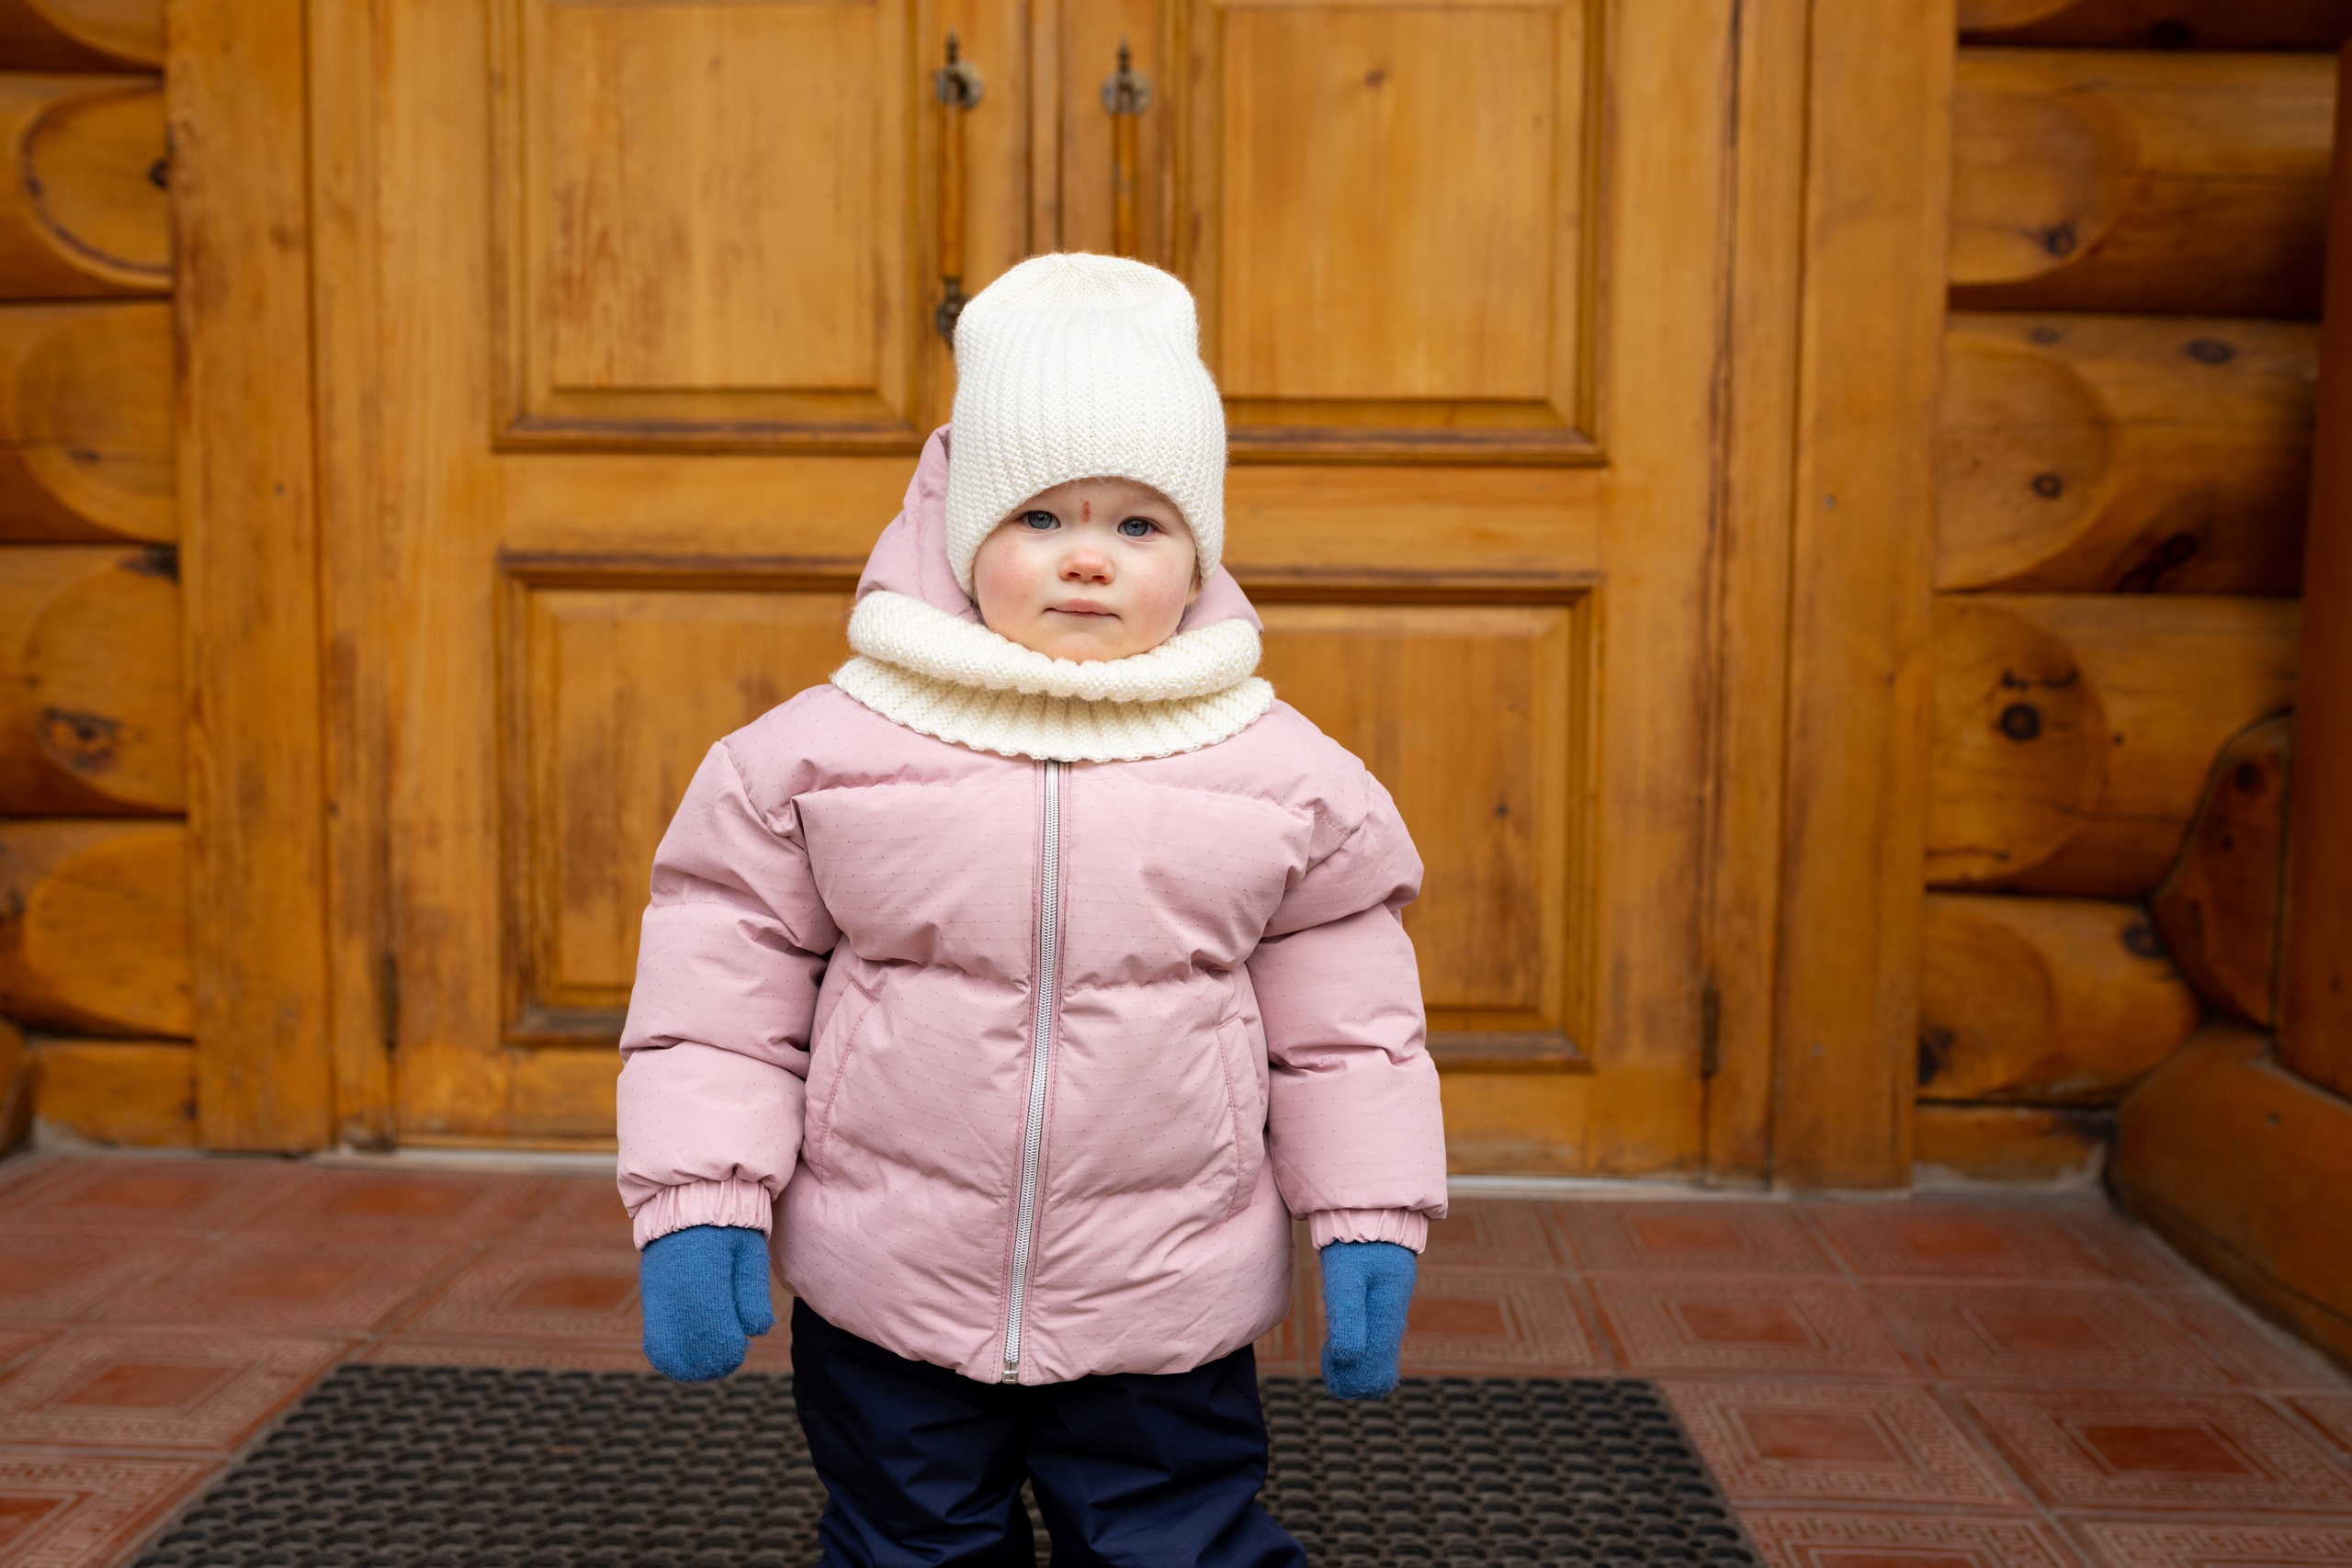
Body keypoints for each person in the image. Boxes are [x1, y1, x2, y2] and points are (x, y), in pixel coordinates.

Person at [615, 253, 1448, 1566]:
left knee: (1177, 1544)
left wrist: (1367, 1215)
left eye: (1136, 525)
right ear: (961, 537)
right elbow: (719, 988)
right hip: (893, 1285)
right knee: (910, 1545)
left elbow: (1353, 1030)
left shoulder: (1284, 776)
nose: (1087, 563)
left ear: (1199, 551)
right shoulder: (818, 755)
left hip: (1164, 1295)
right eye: (1041, 518)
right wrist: (700, 1198)